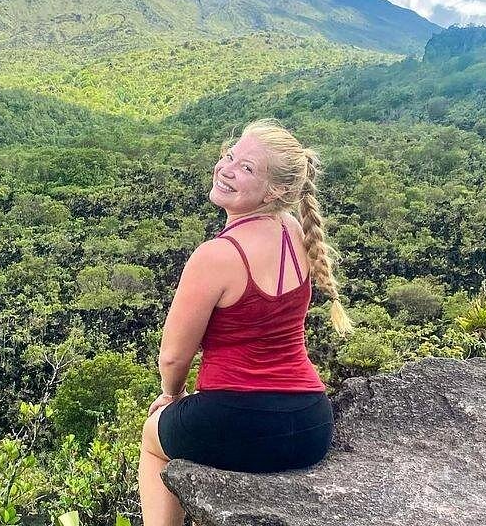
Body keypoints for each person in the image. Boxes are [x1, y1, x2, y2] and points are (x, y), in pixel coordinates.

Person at [137, 118, 353, 526]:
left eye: (247, 167)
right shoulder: (295, 232)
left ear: (277, 191)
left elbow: (172, 356)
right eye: (230, 155)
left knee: (152, 440)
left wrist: (172, 396)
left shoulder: (216, 256)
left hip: (238, 417)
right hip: (311, 423)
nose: (227, 168)